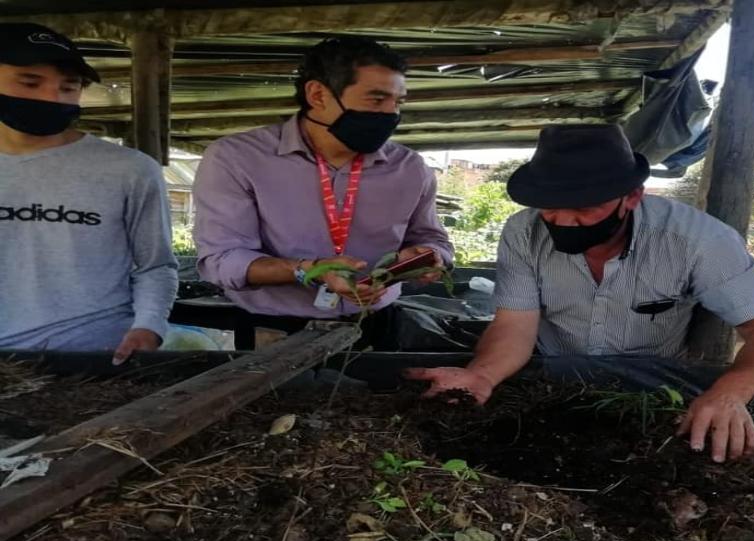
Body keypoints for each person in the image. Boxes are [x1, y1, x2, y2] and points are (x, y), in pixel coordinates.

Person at [407, 124, 754, 463]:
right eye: (551, 208)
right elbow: (515, 325)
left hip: (655, 393)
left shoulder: (698, 241)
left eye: (585, 209)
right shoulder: (524, 232)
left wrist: (729, 393)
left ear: (632, 197)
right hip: (552, 383)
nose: (563, 221)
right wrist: (482, 376)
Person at [192, 37, 452, 343]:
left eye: (398, 102)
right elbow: (221, 259)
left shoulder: (409, 168)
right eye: (376, 99)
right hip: (275, 330)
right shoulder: (238, 159)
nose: (390, 114)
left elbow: (433, 240)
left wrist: (429, 257)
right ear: (317, 94)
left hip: (376, 325)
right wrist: (310, 271)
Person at [0, 23, 178, 364]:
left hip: (98, 358)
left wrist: (149, 327)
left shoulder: (129, 169)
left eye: (69, 87)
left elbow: (155, 265)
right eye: (30, 82)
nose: (52, 98)